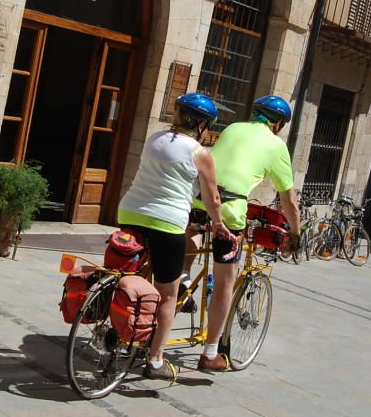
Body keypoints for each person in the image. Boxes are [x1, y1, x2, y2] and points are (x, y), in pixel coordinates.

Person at [117, 92, 233, 382]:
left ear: (178, 114)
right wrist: (218, 223)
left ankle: (120, 330)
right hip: (166, 223)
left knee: (132, 274)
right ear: (203, 124)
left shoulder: (154, 138)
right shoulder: (200, 153)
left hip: (129, 212)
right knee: (167, 294)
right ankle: (155, 359)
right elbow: (212, 198)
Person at [189, 95, 300, 372]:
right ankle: (211, 353)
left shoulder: (233, 127)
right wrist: (296, 233)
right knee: (226, 283)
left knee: (192, 232)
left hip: (200, 198)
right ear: (279, 124)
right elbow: (289, 200)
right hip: (229, 211)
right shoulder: (277, 147)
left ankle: (180, 279)